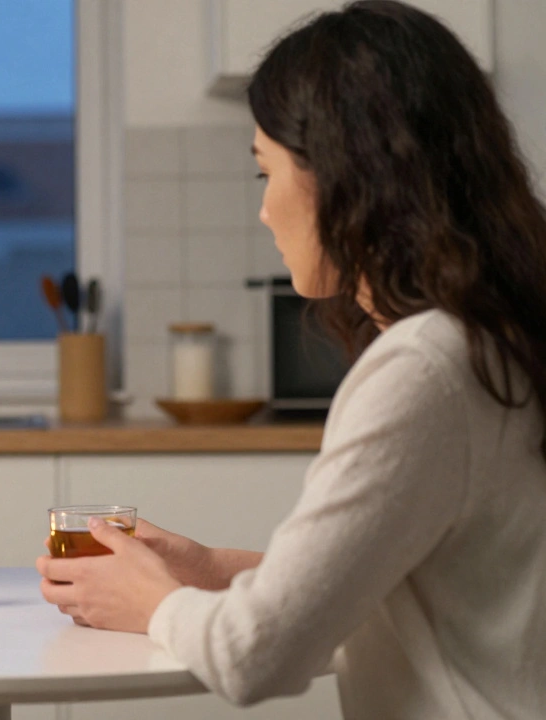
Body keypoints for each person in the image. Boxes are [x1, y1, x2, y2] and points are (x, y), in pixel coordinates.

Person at [37, 1, 546, 717]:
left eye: (265, 173)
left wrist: (153, 602)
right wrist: (210, 570)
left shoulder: (424, 368)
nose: (264, 211)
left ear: (343, 177)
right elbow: (401, 589)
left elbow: (257, 654)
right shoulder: (496, 334)